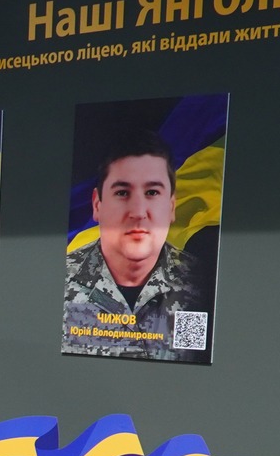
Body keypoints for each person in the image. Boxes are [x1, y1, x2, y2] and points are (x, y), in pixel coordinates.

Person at [61, 132, 212, 363]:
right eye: (122, 193)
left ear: (171, 207)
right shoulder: (57, 282)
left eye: (152, 193)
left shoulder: (204, 286)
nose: (138, 212)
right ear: (97, 205)